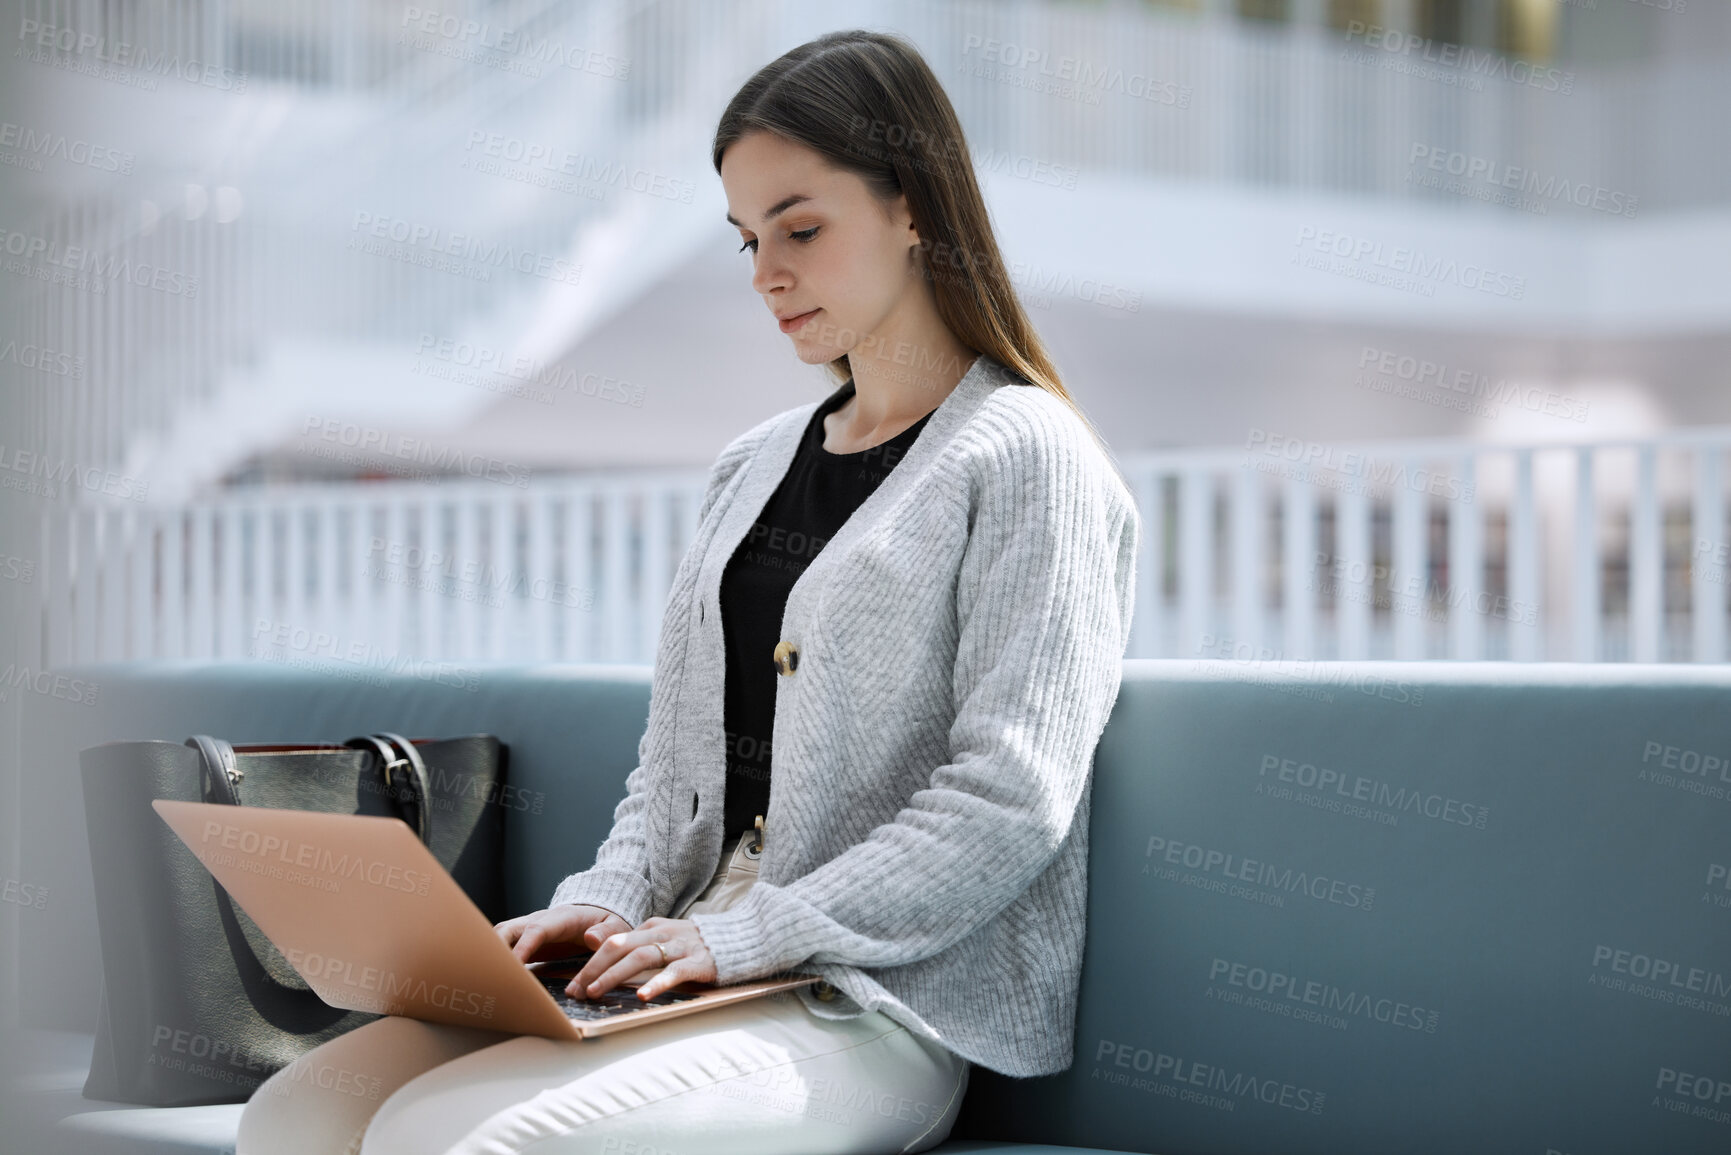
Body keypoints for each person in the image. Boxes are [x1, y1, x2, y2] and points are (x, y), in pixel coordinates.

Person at [236, 28, 1138, 1155]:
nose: (766, 273)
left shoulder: (1029, 458)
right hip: (685, 964)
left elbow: (1012, 800)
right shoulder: (746, 466)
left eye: (801, 229)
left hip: (868, 1002)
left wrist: (753, 934)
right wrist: (607, 904)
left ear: (915, 207)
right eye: (747, 238)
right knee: (297, 1116)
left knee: (453, 1143)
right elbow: (668, 769)